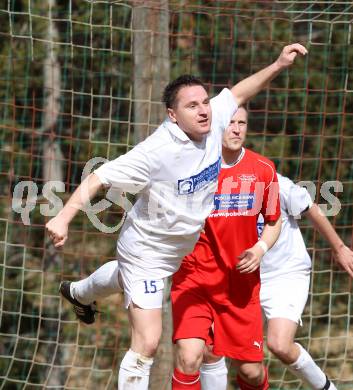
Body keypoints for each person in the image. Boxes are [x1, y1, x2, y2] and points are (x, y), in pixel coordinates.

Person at [46, 43, 307, 390]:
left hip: (184, 252)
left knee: (128, 285)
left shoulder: (211, 121)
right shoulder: (156, 152)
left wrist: (278, 64)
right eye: (191, 105)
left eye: (205, 102)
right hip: (148, 253)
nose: (204, 111)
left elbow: (241, 90)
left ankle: (80, 292)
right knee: (149, 341)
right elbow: (99, 177)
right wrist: (64, 217)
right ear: (172, 115)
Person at [200, 174, 353, 390]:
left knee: (279, 344)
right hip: (243, 279)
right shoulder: (211, 188)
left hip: (285, 274)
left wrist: (339, 248)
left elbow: (311, 208)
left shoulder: (274, 182)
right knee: (228, 359)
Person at [170, 106, 282, 390]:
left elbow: (273, 221)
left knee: (251, 372)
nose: (236, 129)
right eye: (230, 122)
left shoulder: (263, 169)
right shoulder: (193, 167)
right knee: (189, 357)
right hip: (194, 277)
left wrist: (259, 250)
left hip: (239, 285)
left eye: (241, 122)